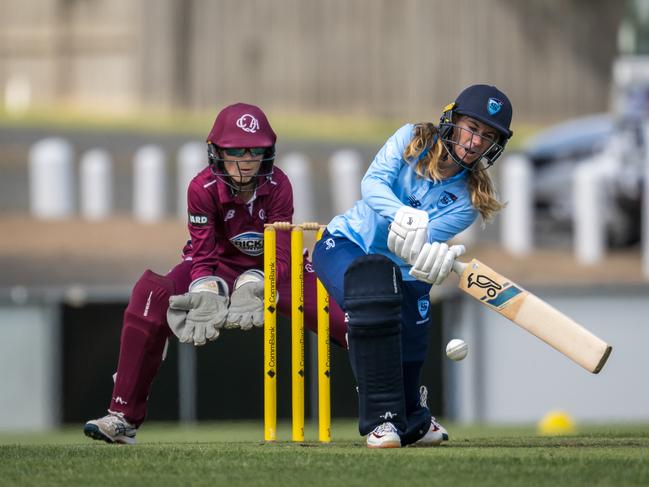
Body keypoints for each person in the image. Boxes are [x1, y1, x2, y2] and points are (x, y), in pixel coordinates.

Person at [83, 102, 346, 444]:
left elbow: (282, 253)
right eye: (236, 150)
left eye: (255, 151)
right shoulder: (201, 188)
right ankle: (122, 417)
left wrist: (256, 281)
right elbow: (203, 253)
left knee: (352, 318)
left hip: (276, 269)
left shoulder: (279, 185)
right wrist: (208, 290)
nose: (246, 160)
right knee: (150, 295)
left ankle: (396, 416)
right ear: (217, 152)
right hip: (216, 264)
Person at [312, 84, 513, 448]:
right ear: (452, 122)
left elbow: (410, 244)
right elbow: (372, 185)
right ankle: (381, 423)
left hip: (403, 266)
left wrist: (430, 259)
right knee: (372, 300)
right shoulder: (411, 139)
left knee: (413, 340)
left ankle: (415, 421)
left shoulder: (469, 199)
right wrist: (404, 214)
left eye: (487, 136)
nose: (475, 142)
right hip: (344, 244)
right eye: (471, 128)